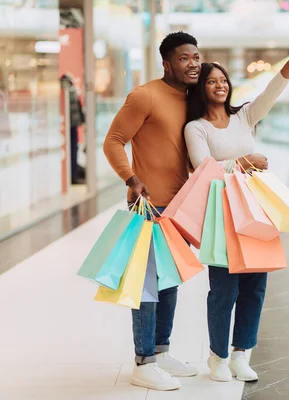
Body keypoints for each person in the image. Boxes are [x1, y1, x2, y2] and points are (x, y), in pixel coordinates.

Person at [184, 45, 289, 382]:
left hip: (256, 207)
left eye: (223, 80)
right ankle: (218, 357)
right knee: (224, 289)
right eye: (211, 81)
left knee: (255, 285)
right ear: (201, 88)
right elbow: (202, 167)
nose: (219, 85)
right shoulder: (196, 127)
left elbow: (269, 95)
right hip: (222, 211)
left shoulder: (244, 117)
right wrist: (244, 161)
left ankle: (242, 353)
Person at [103, 31, 201, 391]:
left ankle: (160, 352)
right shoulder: (144, 95)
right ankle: (143, 361)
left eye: (196, 57)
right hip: (150, 206)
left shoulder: (194, 99)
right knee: (146, 287)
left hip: (180, 207)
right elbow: (113, 140)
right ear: (166, 63)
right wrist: (130, 178)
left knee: (170, 283)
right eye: (184, 58)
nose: (192, 64)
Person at [60, 73, 86, 184]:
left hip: (72, 125)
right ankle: (71, 176)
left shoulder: (70, 90)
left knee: (73, 150)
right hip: (68, 126)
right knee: (70, 151)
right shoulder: (69, 91)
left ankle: (73, 174)